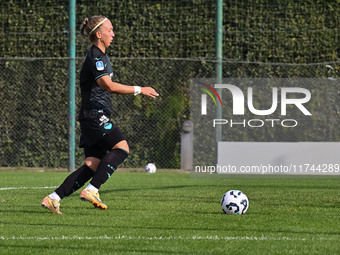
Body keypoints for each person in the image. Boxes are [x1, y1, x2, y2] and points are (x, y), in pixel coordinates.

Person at [41, 16, 159, 214]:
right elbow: (108, 86)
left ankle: (54, 198)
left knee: (93, 164)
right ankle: (92, 190)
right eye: (110, 30)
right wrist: (139, 89)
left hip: (91, 116)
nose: (113, 34)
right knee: (122, 147)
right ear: (98, 34)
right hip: (95, 115)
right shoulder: (96, 55)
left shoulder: (101, 55)